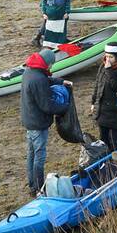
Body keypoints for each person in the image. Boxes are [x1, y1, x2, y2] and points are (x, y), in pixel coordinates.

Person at [20, 49, 72, 195]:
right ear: (47, 64)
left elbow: (46, 80)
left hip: (29, 121)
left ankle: (32, 185)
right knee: (39, 157)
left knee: (31, 155)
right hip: (38, 124)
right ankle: (39, 187)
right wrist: (65, 107)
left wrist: (61, 81)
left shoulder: (30, 71)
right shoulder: (38, 78)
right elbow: (47, 106)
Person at [90, 42, 117, 151]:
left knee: (115, 139)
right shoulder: (103, 65)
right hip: (102, 108)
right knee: (103, 138)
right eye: (107, 56)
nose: (108, 59)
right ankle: (106, 161)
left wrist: (109, 70)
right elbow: (98, 84)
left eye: (111, 57)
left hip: (115, 109)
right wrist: (93, 102)